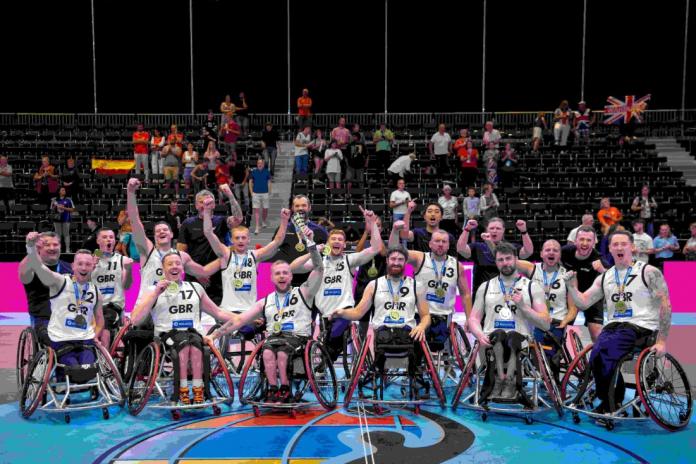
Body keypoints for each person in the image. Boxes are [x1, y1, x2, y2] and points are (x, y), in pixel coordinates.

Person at [208, 232, 325, 403]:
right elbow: (239, 320)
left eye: (285, 273)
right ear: (271, 278)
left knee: (283, 353)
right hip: (275, 339)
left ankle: (285, 389)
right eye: (278, 273)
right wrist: (214, 335)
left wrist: (312, 245)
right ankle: (272, 389)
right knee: (268, 352)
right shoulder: (267, 300)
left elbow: (319, 268)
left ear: (291, 276)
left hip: (298, 339)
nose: (282, 276)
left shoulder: (304, 292)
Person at [566, 229, 672, 413]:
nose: (620, 247)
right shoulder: (605, 277)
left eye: (624, 244)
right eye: (615, 244)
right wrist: (571, 287)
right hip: (615, 327)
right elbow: (583, 302)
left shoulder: (649, 272)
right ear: (610, 249)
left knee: (607, 352)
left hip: (642, 328)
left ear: (632, 247)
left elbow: (665, 305)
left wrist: (662, 341)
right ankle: (614, 397)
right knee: (596, 356)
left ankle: (609, 403)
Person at [131, 252, 236, 405]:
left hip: (193, 333)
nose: (174, 266)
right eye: (170, 264)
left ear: (183, 268)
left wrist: (244, 317)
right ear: (163, 268)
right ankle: (182, 390)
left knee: (195, 344)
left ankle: (199, 390)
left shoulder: (195, 288)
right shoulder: (152, 290)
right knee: (184, 344)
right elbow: (136, 319)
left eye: (178, 263)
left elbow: (218, 312)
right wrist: (155, 293)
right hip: (167, 335)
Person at [329, 247, 431, 398]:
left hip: (407, 332)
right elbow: (358, 312)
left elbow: (426, 315)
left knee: (417, 336)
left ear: (405, 263)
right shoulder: (374, 285)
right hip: (383, 334)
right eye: (393, 259)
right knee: (383, 337)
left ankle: (416, 375)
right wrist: (342, 313)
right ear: (387, 261)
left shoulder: (417, 285)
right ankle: (376, 372)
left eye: (400, 260)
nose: (396, 262)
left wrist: (422, 326)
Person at [291, 208, 383, 362]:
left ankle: (324, 361)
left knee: (336, 333)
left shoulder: (349, 261)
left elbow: (376, 248)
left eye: (340, 239)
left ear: (344, 244)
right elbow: (293, 268)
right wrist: (311, 248)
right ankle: (325, 360)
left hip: (344, 313)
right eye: (333, 239)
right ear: (327, 243)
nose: (337, 241)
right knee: (330, 340)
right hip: (325, 314)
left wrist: (372, 223)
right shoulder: (318, 262)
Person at [467, 242, 550, 400]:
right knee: (498, 336)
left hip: (521, 341)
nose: (505, 263)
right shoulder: (485, 287)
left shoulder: (532, 287)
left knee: (511, 337)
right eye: (500, 260)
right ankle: (499, 380)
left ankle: (508, 381)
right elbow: (473, 318)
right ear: (496, 262)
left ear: (516, 259)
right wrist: (478, 334)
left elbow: (545, 323)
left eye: (508, 259)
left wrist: (524, 307)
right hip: (490, 340)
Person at [202, 203, 291, 338]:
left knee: (272, 323)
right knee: (246, 325)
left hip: (250, 311)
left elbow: (277, 242)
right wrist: (207, 212)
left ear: (249, 239)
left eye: (243, 237)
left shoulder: (255, 256)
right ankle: (239, 331)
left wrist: (284, 221)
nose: (240, 240)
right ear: (232, 240)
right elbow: (208, 233)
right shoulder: (226, 255)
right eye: (237, 238)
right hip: (228, 311)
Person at [24, 236, 105, 369]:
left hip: (84, 340)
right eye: (80, 264)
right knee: (72, 368)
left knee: (88, 368)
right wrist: (31, 247)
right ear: (72, 266)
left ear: (93, 267)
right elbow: (39, 267)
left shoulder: (96, 292)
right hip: (61, 339)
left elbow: (100, 320)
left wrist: (95, 336)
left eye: (88, 264)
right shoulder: (60, 282)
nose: (84, 268)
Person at [126, 178, 209, 308]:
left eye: (165, 229)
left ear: (171, 234)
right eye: (158, 231)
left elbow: (204, 272)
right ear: (153, 236)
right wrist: (130, 192)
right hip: (148, 305)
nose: (161, 232)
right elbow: (134, 220)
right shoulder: (148, 251)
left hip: (171, 307)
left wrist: (224, 257)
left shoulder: (181, 256)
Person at [390, 221, 472, 344]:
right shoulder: (420, 258)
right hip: (419, 316)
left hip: (443, 318)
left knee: (437, 348)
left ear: (449, 246)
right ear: (430, 244)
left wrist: (469, 319)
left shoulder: (457, 265)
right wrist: (395, 231)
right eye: (437, 241)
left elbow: (466, 294)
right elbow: (395, 252)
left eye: (444, 242)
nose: (440, 244)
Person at [178, 187, 243, 306]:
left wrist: (230, 196)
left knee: (218, 313)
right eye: (202, 202)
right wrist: (198, 274)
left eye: (209, 202)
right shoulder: (188, 223)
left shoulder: (221, 221)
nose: (205, 205)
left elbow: (238, 219)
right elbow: (180, 253)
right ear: (196, 205)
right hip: (194, 276)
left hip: (218, 276)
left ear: (213, 205)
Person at [515, 240, 577, 364]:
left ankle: (547, 373)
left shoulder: (568, 276)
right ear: (542, 254)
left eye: (555, 250)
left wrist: (565, 322)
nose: (551, 252)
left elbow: (573, 308)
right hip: (533, 319)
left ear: (560, 255)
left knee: (548, 355)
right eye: (548, 250)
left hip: (556, 322)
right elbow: (506, 258)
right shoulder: (531, 268)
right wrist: (490, 241)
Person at [18, 231, 73, 345]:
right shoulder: (31, 267)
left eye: (55, 244)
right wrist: (30, 247)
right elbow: (23, 274)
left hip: (67, 318)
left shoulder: (69, 267)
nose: (52, 248)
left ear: (60, 246)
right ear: (39, 248)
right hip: (43, 319)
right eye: (47, 245)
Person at [457, 217, 533, 298]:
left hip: (506, 295)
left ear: (503, 230)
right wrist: (467, 229)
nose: (494, 230)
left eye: (498, 228)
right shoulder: (478, 247)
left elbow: (528, 252)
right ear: (487, 230)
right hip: (482, 296)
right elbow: (460, 249)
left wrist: (524, 231)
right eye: (492, 228)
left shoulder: (511, 247)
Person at [270, 194, 329, 288]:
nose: (300, 208)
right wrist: (283, 221)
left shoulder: (320, 230)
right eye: (297, 206)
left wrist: (323, 249)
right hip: (286, 282)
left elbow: (328, 253)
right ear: (292, 208)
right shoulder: (283, 228)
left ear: (309, 207)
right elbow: (274, 247)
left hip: (313, 282)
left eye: (303, 205)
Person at [560, 225, 607, 342]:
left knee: (597, 333)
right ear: (575, 241)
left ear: (593, 243)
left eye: (589, 240)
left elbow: (614, 278)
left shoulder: (598, 258)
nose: (585, 243)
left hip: (591, 296)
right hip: (570, 295)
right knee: (561, 329)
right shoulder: (564, 252)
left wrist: (602, 270)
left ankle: (598, 358)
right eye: (581, 239)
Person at [91, 228, 134, 348]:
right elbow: (79, 283)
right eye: (104, 237)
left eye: (111, 237)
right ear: (98, 241)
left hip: (112, 306)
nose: (108, 240)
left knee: (104, 325)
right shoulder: (91, 260)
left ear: (115, 241)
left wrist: (130, 271)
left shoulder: (123, 260)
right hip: (92, 306)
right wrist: (91, 267)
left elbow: (127, 286)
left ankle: (106, 362)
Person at [249, 158, 272, 235]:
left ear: (263, 164)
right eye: (258, 163)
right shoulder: (253, 172)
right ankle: (257, 227)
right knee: (256, 210)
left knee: (265, 209)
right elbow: (250, 182)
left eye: (261, 163)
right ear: (257, 164)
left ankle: (264, 221)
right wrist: (251, 192)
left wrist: (269, 191)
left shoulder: (267, 172)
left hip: (265, 193)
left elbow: (269, 182)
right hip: (255, 193)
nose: (259, 164)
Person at [51, 187, 75, 253]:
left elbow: (73, 209)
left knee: (66, 234)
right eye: (62, 190)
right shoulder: (55, 200)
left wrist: (64, 208)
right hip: (57, 219)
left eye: (64, 190)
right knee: (58, 235)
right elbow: (52, 210)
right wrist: (54, 206)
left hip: (66, 219)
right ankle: (58, 249)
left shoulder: (68, 200)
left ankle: (67, 250)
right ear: (59, 192)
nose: (64, 191)